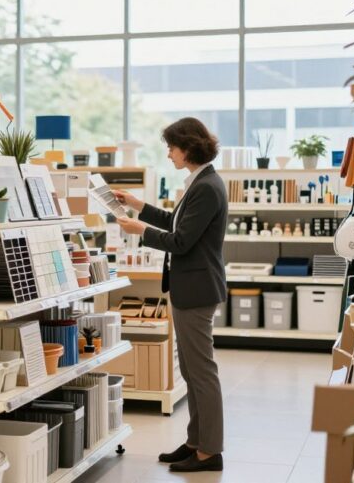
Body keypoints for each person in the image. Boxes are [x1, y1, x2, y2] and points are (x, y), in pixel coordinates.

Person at [112, 117, 227, 473]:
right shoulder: (201, 183)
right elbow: (178, 224)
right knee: (193, 371)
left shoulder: (206, 187)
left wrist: (139, 229)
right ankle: (196, 442)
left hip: (196, 289)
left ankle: (210, 451)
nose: (169, 154)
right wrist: (137, 205)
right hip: (190, 287)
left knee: (201, 372)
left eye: (171, 148)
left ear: (188, 147)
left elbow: (180, 241)